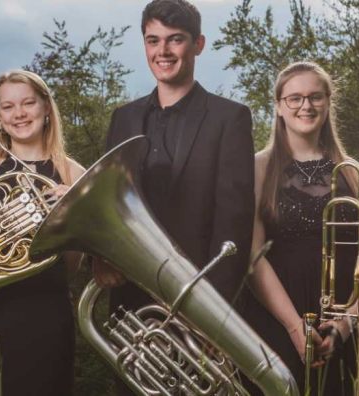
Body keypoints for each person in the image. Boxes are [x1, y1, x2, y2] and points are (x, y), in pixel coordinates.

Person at [93, 0, 255, 394]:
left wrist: (215, 318)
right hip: (131, 304)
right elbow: (104, 202)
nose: (162, 52)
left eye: (175, 40)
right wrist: (99, 259)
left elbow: (234, 222)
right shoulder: (123, 118)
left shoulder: (230, 118)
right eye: (153, 40)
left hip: (198, 302)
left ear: (197, 44)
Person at [244, 61, 359, 395]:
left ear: (327, 102)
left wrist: (348, 321)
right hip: (282, 316)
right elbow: (253, 255)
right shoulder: (258, 168)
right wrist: (295, 327)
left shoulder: (352, 170)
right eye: (294, 98)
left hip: (348, 318)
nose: (305, 106)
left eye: (315, 97)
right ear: (279, 106)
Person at [0, 70, 85, 396]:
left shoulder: (73, 173)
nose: (18, 114)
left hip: (47, 308)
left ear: (46, 107)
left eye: (28, 103)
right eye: (7, 106)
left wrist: (69, 216)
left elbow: (75, 263)